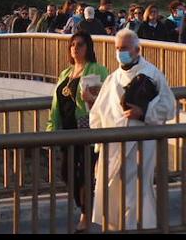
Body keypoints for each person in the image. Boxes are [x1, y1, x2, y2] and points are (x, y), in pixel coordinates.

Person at [90, 30, 176, 231]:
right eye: (118, 49)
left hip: (140, 144)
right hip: (112, 147)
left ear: (137, 50)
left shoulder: (152, 74)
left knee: (136, 191)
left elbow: (169, 107)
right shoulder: (112, 79)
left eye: (125, 49)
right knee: (112, 193)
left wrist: (144, 112)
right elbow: (97, 114)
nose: (121, 53)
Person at [47, 31, 108, 232]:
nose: (75, 48)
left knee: (85, 175)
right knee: (67, 173)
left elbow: (105, 102)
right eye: (72, 44)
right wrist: (51, 128)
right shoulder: (66, 73)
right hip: (67, 130)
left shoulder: (97, 69)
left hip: (86, 128)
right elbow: (56, 105)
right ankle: (87, 208)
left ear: (88, 48)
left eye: (80, 44)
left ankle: (85, 214)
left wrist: (90, 99)